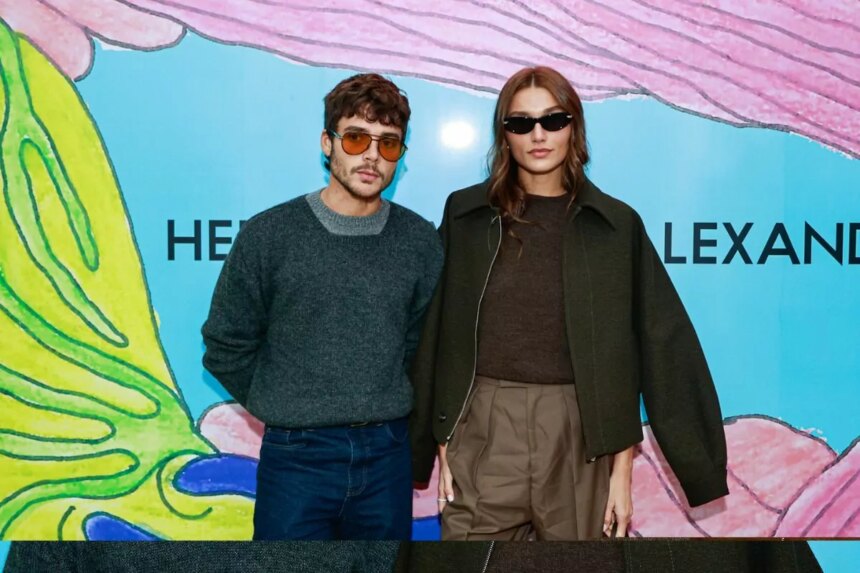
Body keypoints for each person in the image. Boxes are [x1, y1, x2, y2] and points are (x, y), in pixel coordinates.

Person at [410, 66, 728, 541]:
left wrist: (623, 470)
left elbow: (659, 346)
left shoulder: (615, 225)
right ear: (504, 135)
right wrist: (440, 442)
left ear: (573, 127)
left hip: (580, 434)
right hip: (483, 427)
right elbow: (435, 334)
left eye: (553, 120)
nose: (538, 135)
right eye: (521, 123)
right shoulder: (465, 216)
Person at [201, 73, 443, 540]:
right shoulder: (269, 235)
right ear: (327, 143)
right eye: (356, 138)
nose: (372, 155)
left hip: (387, 456)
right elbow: (225, 344)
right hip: (296, 457)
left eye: (389, 143)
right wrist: (284, 405)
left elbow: (420, 348)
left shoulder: (419, 241)